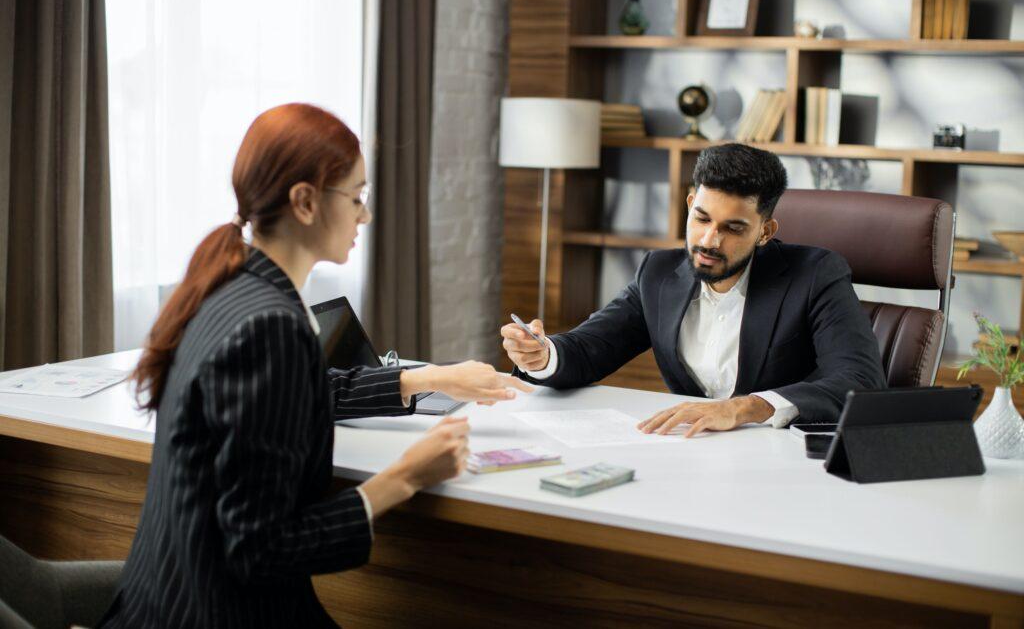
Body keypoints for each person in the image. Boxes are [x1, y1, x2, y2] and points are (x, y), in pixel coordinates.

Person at [100, 103, 532, 628]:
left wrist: (430, 377)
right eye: (357, 198)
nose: (365, 216)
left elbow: (304, 392)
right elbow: (259, 551)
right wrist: (403, 477)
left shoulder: (231, 286)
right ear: (305, 202)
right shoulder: (272, 325)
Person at [501, 143, 884, 437]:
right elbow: (590, 349)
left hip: (783, 460)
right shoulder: (659, 272)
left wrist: (744, 408)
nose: (709, 240)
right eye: (701, 218)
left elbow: (860, 380)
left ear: (765, 231)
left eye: (733, 229)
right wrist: (542, 355)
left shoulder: (815, 273)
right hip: (692, 449)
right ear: (689, 205)